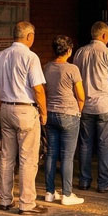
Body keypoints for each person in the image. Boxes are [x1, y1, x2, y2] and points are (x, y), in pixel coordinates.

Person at [0, 21, 48, 215]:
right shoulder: (31, 57)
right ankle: (26, 202)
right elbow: (38, 88)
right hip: (25, 109)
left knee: (6, 156)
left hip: (6, 107)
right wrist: (44, 112)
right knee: (27, 158)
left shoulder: (1, 56)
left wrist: (3, 99)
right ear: (29, 36)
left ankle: (5, 199)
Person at [74, 21, 108, 193]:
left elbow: (76, 80)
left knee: (85, 144)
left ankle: (84, 180)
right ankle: (103, 183)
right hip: (104, 105)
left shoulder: (80, 52)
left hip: (85, 105)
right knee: (104, 145)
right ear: (104, 35)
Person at [42, 35, 85, 206]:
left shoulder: (46, 68)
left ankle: (49, 191)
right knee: (67, 156)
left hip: (51, 113)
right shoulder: (72, 69)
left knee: (51, 153)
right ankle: (67, 194)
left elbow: (43, 91)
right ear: (68, 51)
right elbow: (81, 95)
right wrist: (78, 111)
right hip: (69, 113)